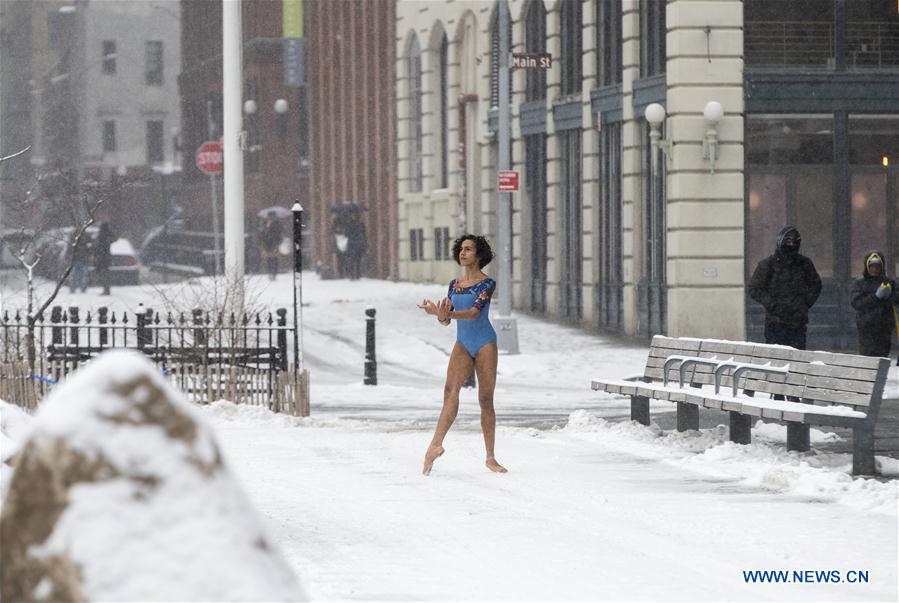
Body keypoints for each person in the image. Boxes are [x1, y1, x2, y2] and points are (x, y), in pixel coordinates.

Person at [417, 234, 507, 476]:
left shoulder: (487, 284)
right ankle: (434, 446)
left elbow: (474, 314)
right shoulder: (454, 284)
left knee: (485, 399)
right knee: (449, 392)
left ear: (478, 255)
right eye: (461, 249)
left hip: (485, 342)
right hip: (463, 342)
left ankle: (490, 457)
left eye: (469, 249)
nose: (463, 253)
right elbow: (447, 320)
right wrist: (437, 314)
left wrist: (446, 314)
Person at [748, 225, 822, 351]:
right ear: (781, 241)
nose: (791, 245)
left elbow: (816, 285)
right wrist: (772, 305)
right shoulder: (768, 264)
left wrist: (803, 304)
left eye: (794, 242)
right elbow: (754, 289)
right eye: (788, 241)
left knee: (797, 360)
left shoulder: (804, 264)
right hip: (776, 322)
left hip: (797, 322)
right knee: (776, 359)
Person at [850, 250, 899, 357]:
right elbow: (857, 303)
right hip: (866, 328)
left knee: (882, 358)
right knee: (867, 357)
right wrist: (876, 296)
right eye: (872, 266)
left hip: (884, 327)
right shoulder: (859, 283)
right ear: (867, 266)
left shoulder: (889, 282)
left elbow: (896, 299)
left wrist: (890, 296)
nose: (874, 269)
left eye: (877, 266)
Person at [93, 222, 115, 295]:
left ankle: (106, 289)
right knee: (105, 274)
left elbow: (97, 246)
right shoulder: (108, 235)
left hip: (101, 257)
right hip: (106, 257)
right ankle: (106, 289)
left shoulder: (101, 235)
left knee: (103, 274)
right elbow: (113, 239)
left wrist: (95, 255)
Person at [344, 213, 368, 280]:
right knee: (357, 260)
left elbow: (346, 234)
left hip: (353, 244)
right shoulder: (361, 224)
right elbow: (364, 234)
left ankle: (353, 274)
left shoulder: (349, 224)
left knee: (352, 259)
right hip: (358, 243)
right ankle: (357, 274)